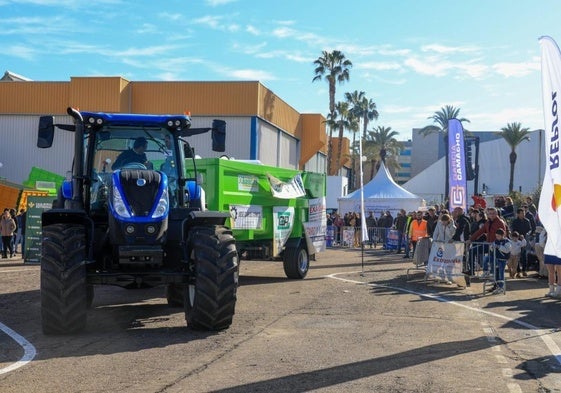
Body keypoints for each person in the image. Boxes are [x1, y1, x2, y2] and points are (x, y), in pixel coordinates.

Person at [469, 207, 507, 278]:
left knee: (491, 260)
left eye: (493, 213)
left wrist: (498, 244)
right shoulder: (487, 223)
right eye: (490, 214)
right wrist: (471, 239)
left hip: (497, 246)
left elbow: (504, 235)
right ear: (488, 214)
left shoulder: (500, 222)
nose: (492, 215)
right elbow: (480, 231)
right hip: (488, 244)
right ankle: (471, 271)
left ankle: (493, 275)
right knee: (472, 251)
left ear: (496, 214)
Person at [489, 228, 511, 294]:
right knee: (496, 273)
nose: (497, 237)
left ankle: (501, 287)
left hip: (503, 260)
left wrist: (499, 247)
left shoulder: (507, 241)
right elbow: (491, 247)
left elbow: (507, 250)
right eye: (496, 236)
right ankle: (497, 286)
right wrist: (492, 247)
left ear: (502, 235)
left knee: (501, 274)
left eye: (498, 236)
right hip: (496, 259)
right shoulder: (496, 241)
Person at [510, 208, 531, 277]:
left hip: (524, 240)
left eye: (524, 213)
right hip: (516, 241)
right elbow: (513, 229)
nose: (523, 214)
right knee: (517, 257)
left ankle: (524, 270)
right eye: (521, 213)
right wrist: (517, 236)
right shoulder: (515, 221)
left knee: (524, 256)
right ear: (518, 214)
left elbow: (530, 229)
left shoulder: (527, 221)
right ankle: (518, 272)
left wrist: (527, 234)